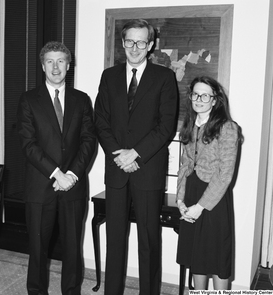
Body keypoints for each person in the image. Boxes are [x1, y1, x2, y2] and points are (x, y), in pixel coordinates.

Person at [94, 19, 179, 295]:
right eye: (130, 41)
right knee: (115, 239)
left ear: (150, 45)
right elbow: (100, 121)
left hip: (148, 170)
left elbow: (166, 126)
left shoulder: (164, 78)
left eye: (141, 42)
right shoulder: (109, 76)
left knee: (149, 240)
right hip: (117, 169)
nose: (135, 47)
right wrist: (119, 155)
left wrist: (136, 154)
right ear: (122, 43)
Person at [17, 41, 96, 295]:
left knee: (73, 248)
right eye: (50, 61)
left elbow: (88, 141)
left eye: (60, 61)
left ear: (68, 65)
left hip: (73, 187)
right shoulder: (29, 100)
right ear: (42, 65)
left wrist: (71, 174)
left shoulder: (82, 100)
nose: (55, 67)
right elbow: (28, 145)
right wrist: (57, 174)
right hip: (41, 187)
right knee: (38, 249)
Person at [176, 76, 243, 290]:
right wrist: (180, 199)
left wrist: (200, 207)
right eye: (195, 94)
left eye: (205, 95)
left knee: (216, 258)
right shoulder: (189, 126)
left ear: (215, 100)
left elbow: (225, 174)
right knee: (197, 256)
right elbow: (185, 165)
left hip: (213, 199)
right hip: (191, 194)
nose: (199, 99)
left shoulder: (227, 128)